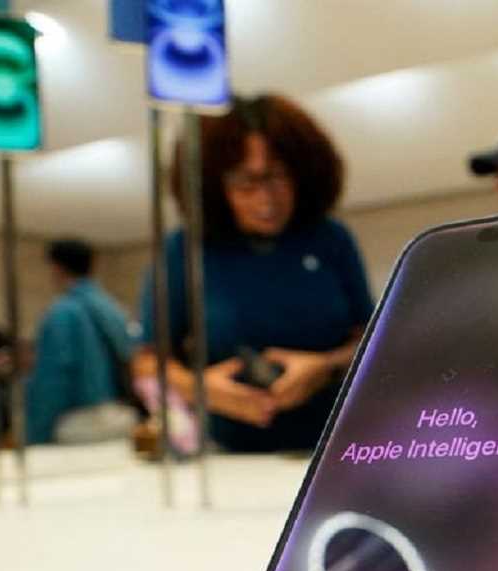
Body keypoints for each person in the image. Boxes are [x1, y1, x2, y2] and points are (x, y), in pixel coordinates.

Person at [134, 94, 373, 453]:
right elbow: (147, 362)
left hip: (341, 444)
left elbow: (372, 340)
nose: (266, 199)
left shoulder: (331, 238)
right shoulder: (184, 250)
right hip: (231, 452)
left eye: (278, 177)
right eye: (246, 183)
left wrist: (326, 367)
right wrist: (197, 387)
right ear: (214, 184)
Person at [25, 239, 138, 445]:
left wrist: (37, 434)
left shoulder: (62, 313)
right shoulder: (113, 309)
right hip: (120, 416)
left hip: (78, 424)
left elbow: (53, 379)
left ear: (57, 268)